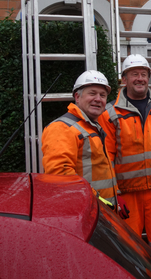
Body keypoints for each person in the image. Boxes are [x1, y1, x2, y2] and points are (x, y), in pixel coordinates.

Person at [98, 54, 151, 265]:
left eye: (143, 74)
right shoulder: (110, 112)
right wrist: (114, 193)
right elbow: (105, 156)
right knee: (128, 248)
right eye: (134, 74)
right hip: (127, 195)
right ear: (124, 79)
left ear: (149, 77)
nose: (140, 78)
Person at [42, 70, 129, 219]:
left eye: (102, 95)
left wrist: (115, 197)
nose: (98, 99)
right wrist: (99, 202)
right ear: (77, 96)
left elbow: (101, 170)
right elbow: (61, 175)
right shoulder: (62, 128)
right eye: (92, 93)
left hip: (99, 213)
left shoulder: (92, 126)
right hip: (84, 214)